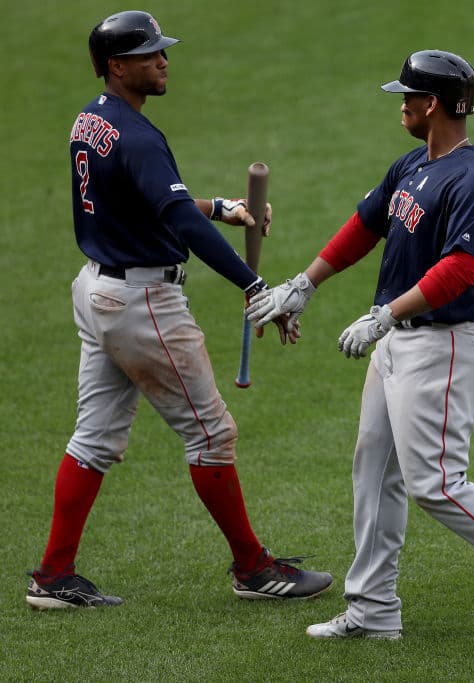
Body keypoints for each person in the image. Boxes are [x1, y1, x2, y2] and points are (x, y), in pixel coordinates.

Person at [246, 50, 474, 648]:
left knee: (437, 482)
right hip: (398, 342)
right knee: (374, 468)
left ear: (431, 104)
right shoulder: (414, 164)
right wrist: (304, 285)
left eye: (407, 96)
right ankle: (374, 609)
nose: (401, 104)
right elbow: (365, 224)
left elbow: (462, 268)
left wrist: (386, 314)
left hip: (445, 344)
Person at [25, 10, 333, 610]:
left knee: (92, 441)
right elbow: (177, 220)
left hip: (96, 292)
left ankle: (52, 576)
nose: (164, 60)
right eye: (149, 53)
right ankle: (253, 569)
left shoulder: (93, 120)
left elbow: (144, 200)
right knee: (212, 435)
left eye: (163, 50)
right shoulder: (139, 135)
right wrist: (252, 285)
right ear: (118, 66)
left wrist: (221, 205)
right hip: (142, 304)